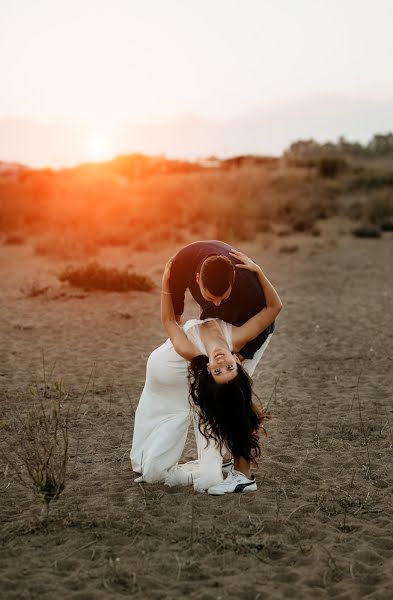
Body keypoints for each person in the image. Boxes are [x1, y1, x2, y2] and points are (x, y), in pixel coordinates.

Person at [130, 249, 282, 495]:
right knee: (233, 400)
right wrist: (259, 271)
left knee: (231, 409)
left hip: (173, 377)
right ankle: (225, 457)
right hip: (233, 305)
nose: (222, 362)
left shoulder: (191, 352)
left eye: (218, 370)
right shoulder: (237, 337)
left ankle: (242, 473)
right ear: (236, 360)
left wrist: (165, 284)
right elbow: (275, 307)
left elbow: (169, 321)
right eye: (229, 367)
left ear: (208, 369)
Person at [169, 240, 275, 360]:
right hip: (212, 323)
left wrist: (242, 355)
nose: (217, 303)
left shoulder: (249, 288)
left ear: (233, 278)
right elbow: (175, 298)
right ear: (197, 279)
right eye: (210, 298)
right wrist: (177, 332)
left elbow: (267, 320)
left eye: (223, 297)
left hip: (249, 328)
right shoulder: (182, 262)